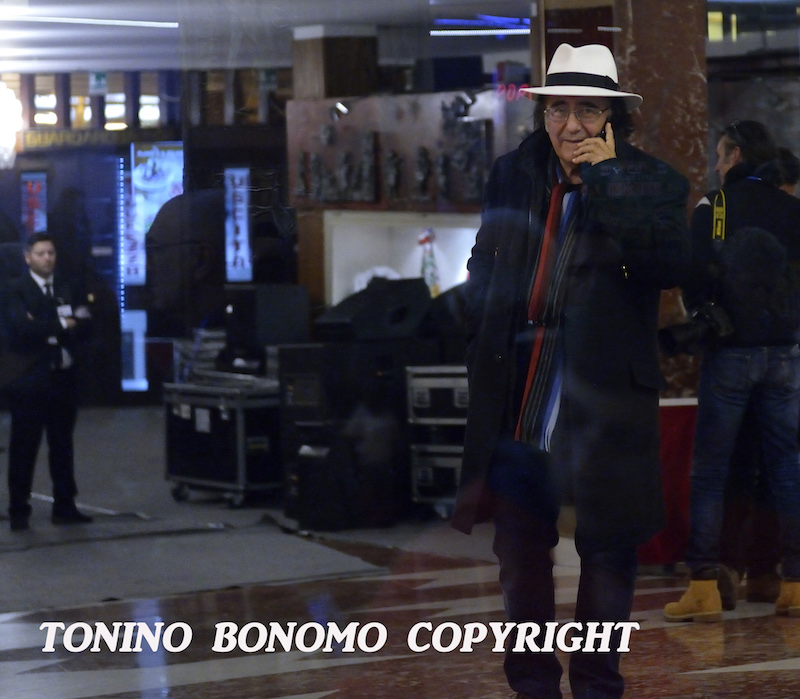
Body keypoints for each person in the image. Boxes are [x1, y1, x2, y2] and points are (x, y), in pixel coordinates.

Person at [450, 43, 691, 698]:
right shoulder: (514, 172)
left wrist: (608, 182)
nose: (571, 126)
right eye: (558, 109)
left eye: (588, 110)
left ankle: (596, 686)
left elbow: (668, 266)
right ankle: (532, 684)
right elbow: (484, 260)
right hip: (522, 388)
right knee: (519, 549)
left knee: (608, 549)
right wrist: (477, 326)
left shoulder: (652, 182)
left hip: (604, 397)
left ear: (613, 117)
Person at [664, 120, 800, 622]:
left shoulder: (714, 206)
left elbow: (693, 275)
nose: (717, 165)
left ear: (737, 154)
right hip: (785, 354)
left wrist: (707, 315)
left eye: (721, 155)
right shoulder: (792, 208)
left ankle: (704, 585)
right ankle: (795, 584)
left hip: (731, 353)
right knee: (787, 468)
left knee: (710, 472)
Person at [3, 232, 94, 531]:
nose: (47, 258)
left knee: (62, 445)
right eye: (41, 253)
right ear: (28, 257)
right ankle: (19, 510)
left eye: (51, 253)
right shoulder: (15, 289)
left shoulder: (68, 286)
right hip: (29, 381)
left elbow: (85, 324)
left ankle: (65, 506)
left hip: (63, 378)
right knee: (24, 447)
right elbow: (22, 330)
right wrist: (62, 323)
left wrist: (43, 324)